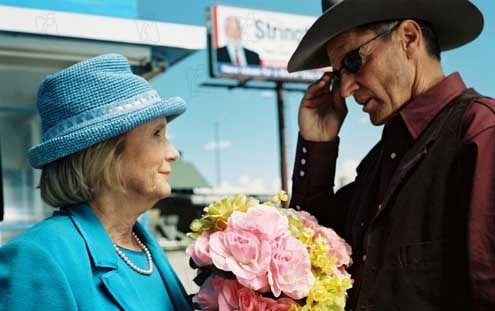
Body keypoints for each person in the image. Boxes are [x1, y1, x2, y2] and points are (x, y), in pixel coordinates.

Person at [287, 0, 494, 310]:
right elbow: (310, 250)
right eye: (337, 73)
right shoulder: (379, 161)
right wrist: (317, 144)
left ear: (409, 38)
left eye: (353, 62)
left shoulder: (481, 133)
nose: (344, 89)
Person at [0, 54, 193, 310]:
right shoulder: (36, 258)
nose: (173, 153)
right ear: (107, 153)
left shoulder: (143, 245)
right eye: (157, 134)